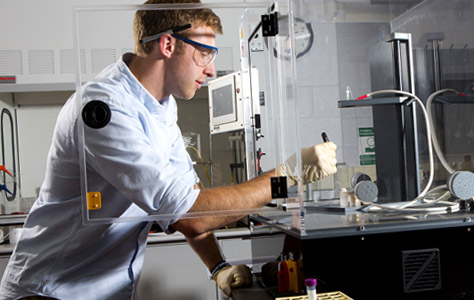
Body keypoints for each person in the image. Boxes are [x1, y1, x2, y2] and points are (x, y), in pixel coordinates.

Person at [0, 0, 337, 299]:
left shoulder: (161, 108)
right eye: (204, 53)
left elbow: (185, 202)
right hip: (49, 290)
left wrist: (217, 266)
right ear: (167, 44)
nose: (211, 68)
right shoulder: (105, 108)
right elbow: (191, 213)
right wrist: (287, 175)